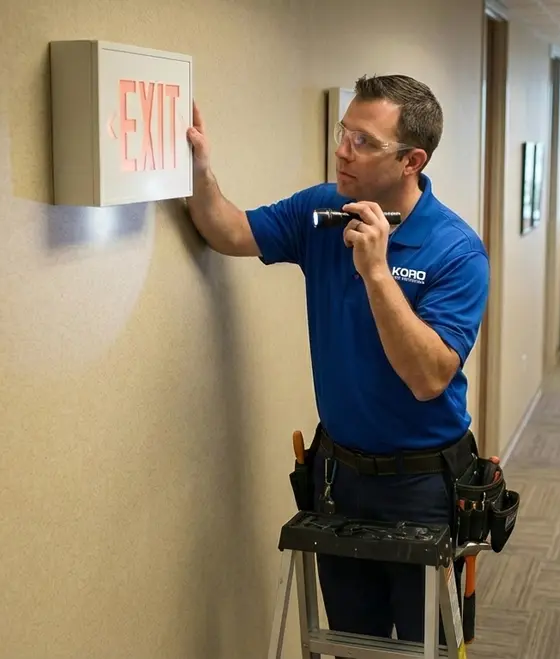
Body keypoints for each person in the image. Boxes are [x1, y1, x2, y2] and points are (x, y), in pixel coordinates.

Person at [182, 74, 490, 644]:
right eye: (343, 132)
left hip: (422, 486)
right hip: (340, 477)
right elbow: (229, 229)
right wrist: (198, 169)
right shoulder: (323, 208)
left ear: (412, 160)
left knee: (430, 648)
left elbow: (427, 378)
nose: (342, 149)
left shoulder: (456, 250)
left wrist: (376, 271)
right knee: (353, 643)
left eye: (364, 141)